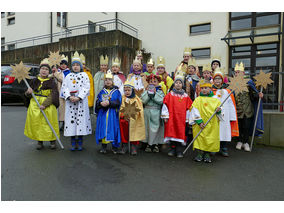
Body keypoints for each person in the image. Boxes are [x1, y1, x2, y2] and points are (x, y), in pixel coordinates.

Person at [24, 58, 59, 150]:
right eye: (42, 69)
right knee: (38, 123)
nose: (44, 71)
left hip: (47, 105)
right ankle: (40, 141)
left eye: (46, 69)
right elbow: (27, 95)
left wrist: (45, 104)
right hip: (35, 105)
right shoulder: (34, 81)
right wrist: (28, 92)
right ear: (40, 70)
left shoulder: (52, 82)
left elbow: (53, 94)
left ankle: (52, 140)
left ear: (49, 71)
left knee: (50, 122)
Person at [61, 51, 92, 151]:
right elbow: (64, 87)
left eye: (77, 65)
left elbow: (86, 87)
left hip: (81, 102)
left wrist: (79, 97)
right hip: (71, 102)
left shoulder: (84, 75)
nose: (75, 67)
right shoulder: (68, 76)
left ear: (80, 66)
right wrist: (69, 97)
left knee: (81, 121)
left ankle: (80, 140)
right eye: (73, 65)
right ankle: (73, 141)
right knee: (71, 122)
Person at [161, 71, 193, 158]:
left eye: (180, 83)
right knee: (172, 132)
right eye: (176, 83)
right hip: (172, 118)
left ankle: (179, 150)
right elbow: (165, 105)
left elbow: (189, 108)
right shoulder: (169, 95)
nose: (178, 84)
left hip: (181, 119)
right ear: (174, 84)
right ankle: (172, 148)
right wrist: (165, 116)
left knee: (180, 133)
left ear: (182, 85)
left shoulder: (186, 96)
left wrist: (187, 118)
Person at [190, 79, 222, 163]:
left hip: (211, 125)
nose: (204, 90)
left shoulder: (216, 100)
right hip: (200, 124)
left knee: (210, 139)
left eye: (206, 88)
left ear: (210, 89)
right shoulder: (197, 100)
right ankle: (199, 154)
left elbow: (221, 112)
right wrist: (199, 121)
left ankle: (207, 154)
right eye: (202, 88)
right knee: (200, 138)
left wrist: (219, 110)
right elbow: (194, 110)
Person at [234, 62, 264, 152]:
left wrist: (259, 95)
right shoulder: (233, 83)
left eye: (239, 72)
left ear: (243, 73)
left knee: (246, 126)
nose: (237, 74)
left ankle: (246, 142)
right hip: (237, 110)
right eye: (235, 72)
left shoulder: (249, 82)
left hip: (247, 110)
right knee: (239, 127)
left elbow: (254, 95)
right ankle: (239, 141)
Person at [212, 67, 239, 157]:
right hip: (214, 114)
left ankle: (224, 147)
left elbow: (231, 104)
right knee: (215, 131)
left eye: (219, 78)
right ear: (213, 80)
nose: (217, 80)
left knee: (224, 131)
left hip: (225, 115)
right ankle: (215, 147)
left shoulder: (227, 91)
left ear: (222, 80)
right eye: (216, 78)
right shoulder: (210, 91)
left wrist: (232, 116)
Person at [95, 70, 122, 154]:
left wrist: (110, 103)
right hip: (103, 114)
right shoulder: (102, 92)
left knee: (113, 129)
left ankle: (114, 147)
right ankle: (104, 147)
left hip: (112, 114)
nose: (108, 81)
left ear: (112, 81)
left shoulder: (116, 92)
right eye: (106, 80)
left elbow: (119, 102)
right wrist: (100, 103)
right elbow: (97, 101)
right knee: (103, 129)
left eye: (109, 80)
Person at [119, 79, 145, 155]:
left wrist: (133, 115)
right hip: (124, 119)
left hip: (134, 119)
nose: (127, 92)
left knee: (134, 131)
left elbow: (139, 109)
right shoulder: (122, 98)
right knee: (124, 131)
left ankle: (133, 146)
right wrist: (123, 115)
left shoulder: (137, 99)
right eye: (125, 90)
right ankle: (125, 145)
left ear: (132, 90)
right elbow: (120, 108)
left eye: (128, 90)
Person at [141, 74, 165, 152]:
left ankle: (155, 144)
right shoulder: (145, 91)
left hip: (156, 112)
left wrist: (154, 94)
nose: (153, 83)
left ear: (158, 83)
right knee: (147, 128)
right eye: (151, 81)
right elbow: (143, 100)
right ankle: (147, 143)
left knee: (155, 128)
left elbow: (161, 101)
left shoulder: (160, 92)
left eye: (155, 81)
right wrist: (148, 94)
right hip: (147, 112)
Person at [53, 54, 70, 131]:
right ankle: (60, 123)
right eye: (62, 64)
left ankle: (65, 124)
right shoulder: (57, 71)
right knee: (60, 108)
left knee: (65, 109)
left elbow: (64, 80)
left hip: (65, 93)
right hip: (57, 92)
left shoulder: (68, 73)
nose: (63, 65)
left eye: (65, 64)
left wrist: (56, 74)